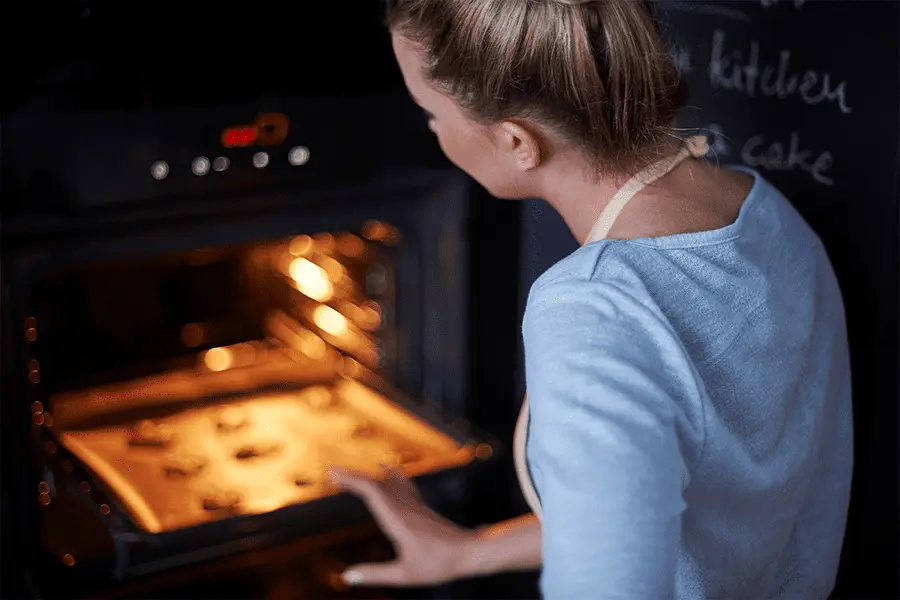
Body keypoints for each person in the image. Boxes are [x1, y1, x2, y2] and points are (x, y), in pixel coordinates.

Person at [327, 0, 854, 598]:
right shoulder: (760, 209)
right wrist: (467, 553)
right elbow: (673, 504)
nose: (433, 132)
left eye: (431, 114)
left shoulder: (593, 312)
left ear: (516, 141)